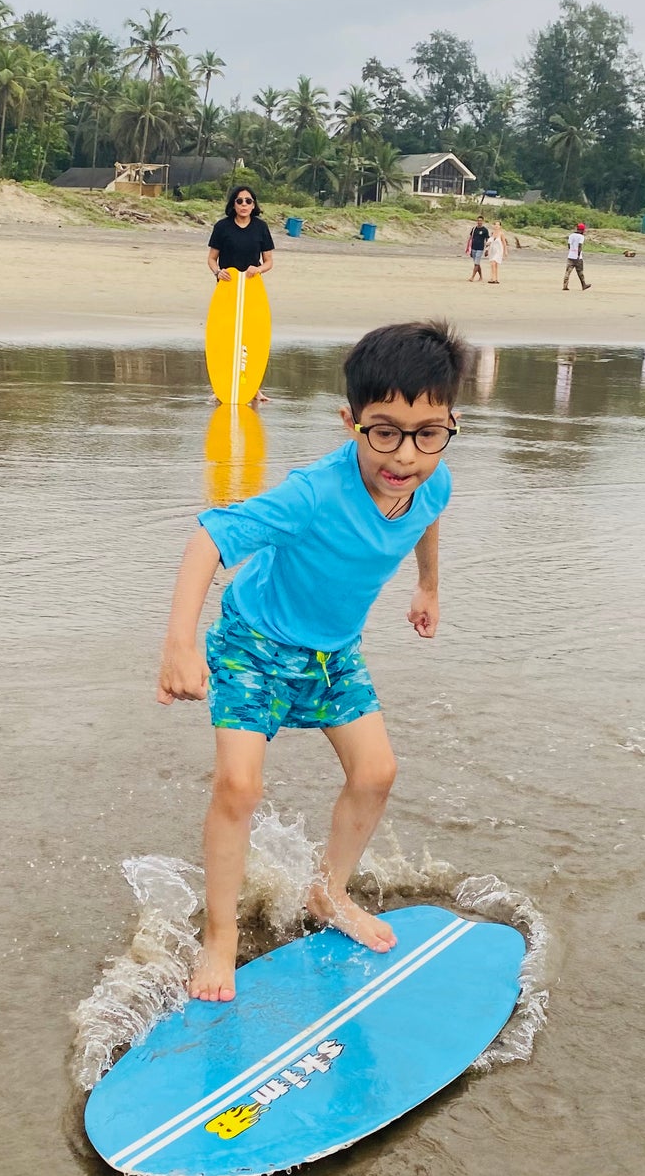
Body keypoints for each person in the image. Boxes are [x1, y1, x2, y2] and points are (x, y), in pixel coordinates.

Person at [156, 320, 468, 1002]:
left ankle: (326, 893)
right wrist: (180, 642)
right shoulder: (314, 492)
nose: (405, 455)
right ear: (350, 419)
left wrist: (427, 586)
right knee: (239, 786)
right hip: (254, 643)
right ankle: (220, 937)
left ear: (449, 423)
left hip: (331, 654)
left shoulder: (433, 481)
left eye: (427, 433)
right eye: (383, 430)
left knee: (376, 771)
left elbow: (426, 517)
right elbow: (210, 534)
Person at [207, 186, 274, 286]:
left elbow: (268, 261)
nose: (244, 204)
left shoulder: (261, 227)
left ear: (253, 205)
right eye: (239, 201)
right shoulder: (221, 226)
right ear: (233, 205)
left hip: (252, 282)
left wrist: (258, 269)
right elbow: (211, 258)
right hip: (227, 282)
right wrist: (218, 272)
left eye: (248, 201)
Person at [563, 220, 590, 292]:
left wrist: (571, 251)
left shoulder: (571, 235)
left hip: (570, 256)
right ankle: (583, 285)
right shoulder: (581, 237)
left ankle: (565, 286)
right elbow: (580, 246)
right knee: (580, 272)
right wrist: (578, 255)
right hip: (578, 257)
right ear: (582, 230)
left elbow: (569, 245)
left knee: (568, 271)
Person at [465, 214, 490, 282]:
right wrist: (468, 248)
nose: (479, 222)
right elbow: (470, 238)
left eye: (481, 221)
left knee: (476, 263)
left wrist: (487, 250)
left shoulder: (485, 230)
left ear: (483, 221)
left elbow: (487, 240)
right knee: (477, 263)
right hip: (473, 248)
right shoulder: (474, 229)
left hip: (480, 248)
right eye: (478, 221)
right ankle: (481, 277)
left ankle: (472, 277)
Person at [486, 219, 509, 284]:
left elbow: (504, 243)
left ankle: (493, 278)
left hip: (498, 251)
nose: (496, 226)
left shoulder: (501, 234)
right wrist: (487, 249)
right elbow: (489, 242)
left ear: (500, 226)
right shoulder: (492, 233)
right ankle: (495, 278)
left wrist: (505, 251)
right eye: (495, 224)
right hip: (492, 250)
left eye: (498, 225)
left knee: (494, 263)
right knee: (494, 265)